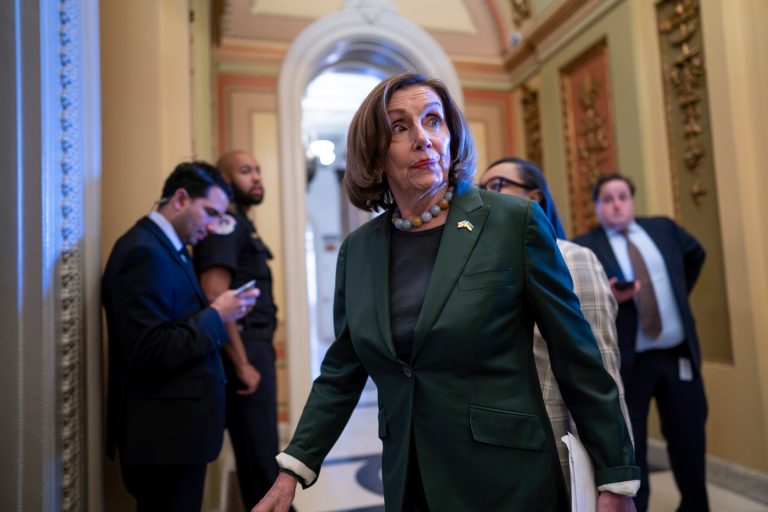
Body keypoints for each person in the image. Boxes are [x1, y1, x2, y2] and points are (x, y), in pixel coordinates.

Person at [254, 73, 639, 512]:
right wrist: (293, 468)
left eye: (433, 121)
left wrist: (616, 476)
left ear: (451, 136)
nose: (423, 138)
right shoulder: (358, 251)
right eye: (400, 127)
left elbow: (578, 356)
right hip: (410, 480)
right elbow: (342, 371)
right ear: (375, 154)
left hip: (506, 480)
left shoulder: (514, 222)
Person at [102, 161, 259, 511]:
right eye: (210, 213)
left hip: (178, 437)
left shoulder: (170, 247)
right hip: (162, 440)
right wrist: (218, 315)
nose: (213, 226)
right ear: (180, 199)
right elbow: (148, 348)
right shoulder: (142, 251)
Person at [479, 156, 632, 487]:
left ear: (534, 197)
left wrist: (614, 476)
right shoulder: (483, 268)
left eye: (496, 186)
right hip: (494, 454)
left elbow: (601, 369)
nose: (486, 197)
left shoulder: (572, 259)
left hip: (552, 448)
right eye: (481, 189)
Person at [573, 174, 708, 512]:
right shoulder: (586, 246)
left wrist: (678, 291)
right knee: (633, 448)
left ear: (631, 201)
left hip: (677, 355)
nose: (617, 204)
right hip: (629, 363)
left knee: (689, 439)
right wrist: (610, 296)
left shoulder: (663, 229)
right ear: (597, 207)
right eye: (608, 199)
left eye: (622, 196)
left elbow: (696, 255)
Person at [194, 150, 288, 511]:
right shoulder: (227, 224)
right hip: (244, 346)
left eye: (258, 170)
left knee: (262, 454)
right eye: (246, 171)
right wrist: (242, 362)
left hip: (254, 344)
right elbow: (215, 293)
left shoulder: (242, 224)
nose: (256, 177)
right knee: (260, 460)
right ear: (226, 180)